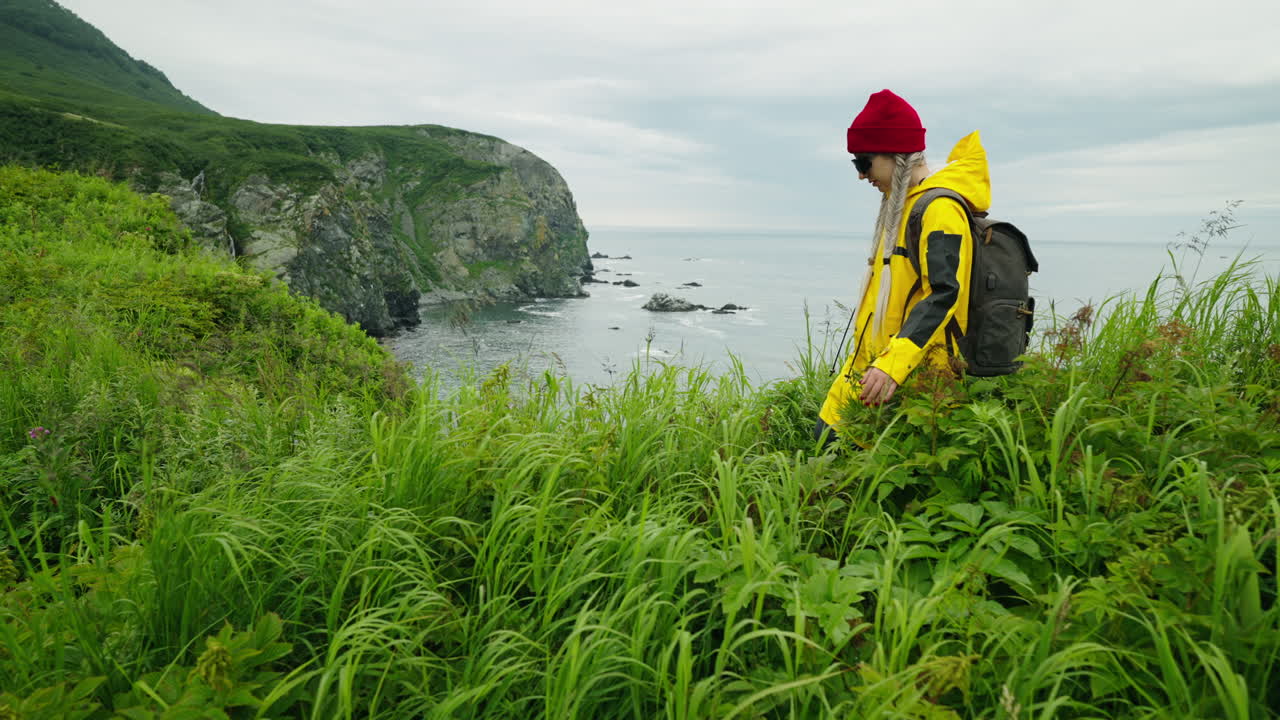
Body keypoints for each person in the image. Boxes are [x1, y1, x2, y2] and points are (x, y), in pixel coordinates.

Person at [815, 89, 989, 446]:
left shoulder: (938, 210)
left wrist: (892, 366)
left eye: (863, 162)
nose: (862, 176)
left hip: (911, 378)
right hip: (870, 368)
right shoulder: (901, 208)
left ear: (895, 155)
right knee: (823, 445)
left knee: (851, 479)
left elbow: (944, 294)